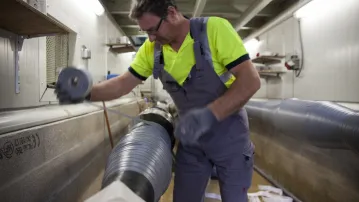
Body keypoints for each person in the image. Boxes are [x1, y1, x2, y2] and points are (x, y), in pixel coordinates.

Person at [55, 0, 261, 201]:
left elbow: (250, 81)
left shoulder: (213, 30)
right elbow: (122, 84)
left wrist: (209, 115)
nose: (151, 38)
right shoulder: (152, 50)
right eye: (146, 32)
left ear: (171, 13)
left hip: (229, 138)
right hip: (192, 142)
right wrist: (86, 93)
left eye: (153, 30)